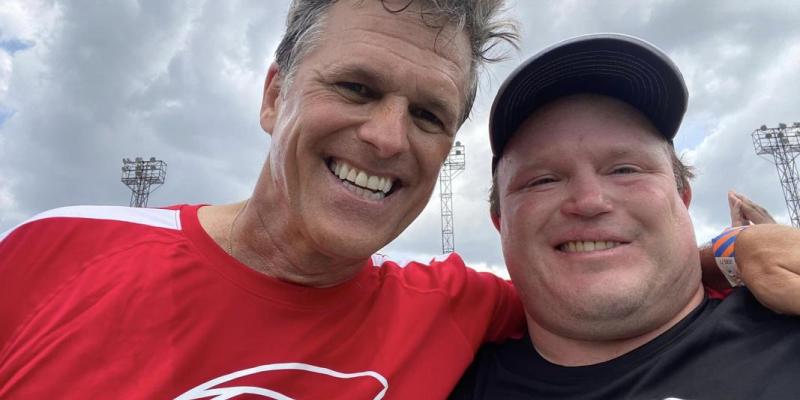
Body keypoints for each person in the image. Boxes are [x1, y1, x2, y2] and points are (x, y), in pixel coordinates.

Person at [0, 1, 526, 398]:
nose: (388, 138)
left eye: (428, 116)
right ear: (275, 97)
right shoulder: (52, 252)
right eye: (355, 88)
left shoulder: (459, 308)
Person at [451, 33, 800, 399]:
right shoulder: (440, 384)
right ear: (501, 223)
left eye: (625, 169)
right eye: (543, 180)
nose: (589, 201)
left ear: (682, 198)